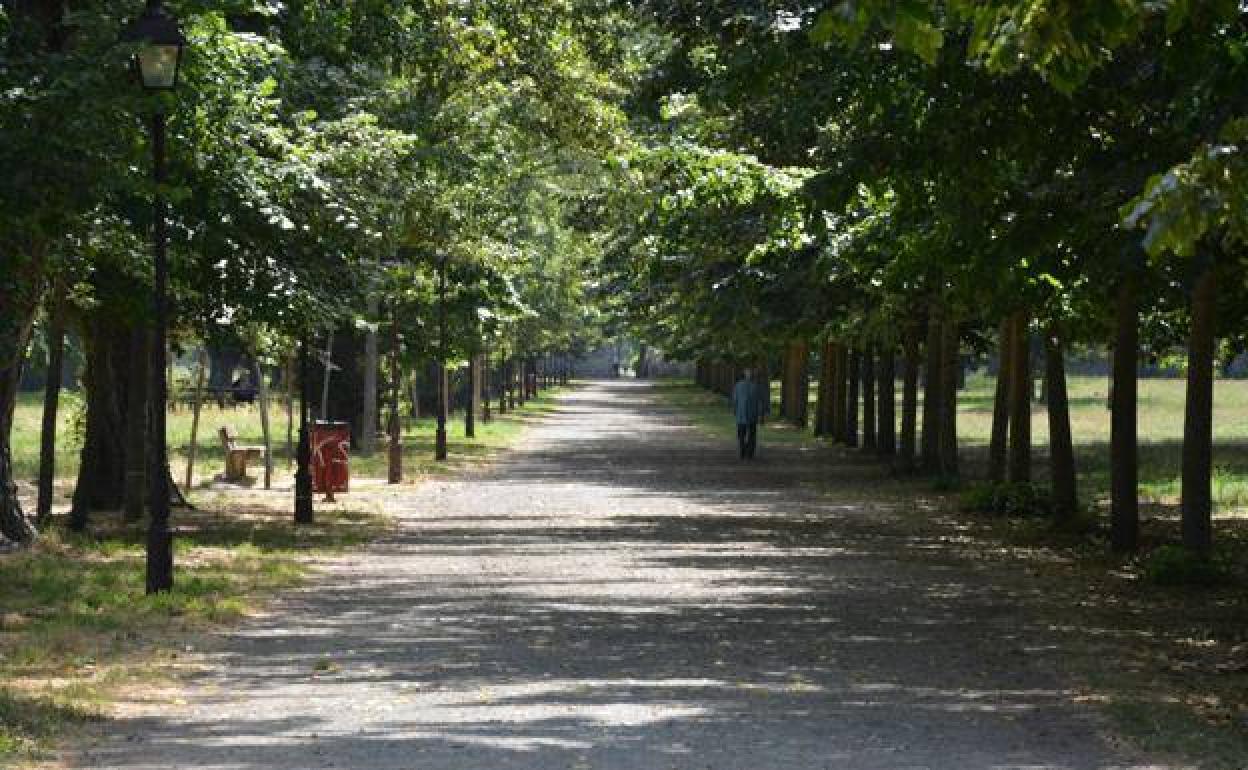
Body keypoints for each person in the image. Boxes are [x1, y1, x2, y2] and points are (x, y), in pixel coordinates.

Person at [732, 368, 763, 459]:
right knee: (750, 434)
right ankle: (749, 452)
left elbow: (735, 400)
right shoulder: (755, 386)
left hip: (742, 414)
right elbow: (759, 402)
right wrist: (760, 414)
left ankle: (744, 451)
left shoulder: (738, 386)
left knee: (743, 434)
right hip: (751, 414)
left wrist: (734, 410)